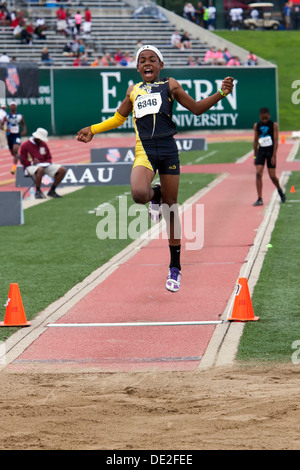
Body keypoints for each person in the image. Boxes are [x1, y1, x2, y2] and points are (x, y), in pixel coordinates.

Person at [76, 44, 234, 292]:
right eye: (142, 60)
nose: (147, 63)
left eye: (152, 60)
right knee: (139, 194)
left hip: (168, 150)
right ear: (138, 67)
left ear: (160, 65)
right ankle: (155, 193)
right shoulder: (133, 90)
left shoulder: (170, 85)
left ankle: (175, 268)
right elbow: (118, 118)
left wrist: (222, 93)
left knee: (171, 210)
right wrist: (93, 129)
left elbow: (196, 109)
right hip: (145, 151)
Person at [19, 127, 66, 199]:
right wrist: (32, 163)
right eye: (40, 139)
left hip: (44, 165)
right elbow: (23, 161)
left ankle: (52, 191)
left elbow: (49, 157)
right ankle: (37, 192)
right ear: (36, 137)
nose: (41, 141)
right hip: (30, 167)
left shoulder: (43, 144)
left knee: (62, 170)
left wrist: (47, 163)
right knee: (40, 169)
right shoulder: (25, 145)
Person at [253, 107, 286, 206]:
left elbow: (276, 141)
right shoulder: (257, 125)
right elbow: (255, 141)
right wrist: (255, 156)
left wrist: (273, 155)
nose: (264, 120)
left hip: (270, 152)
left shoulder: (274, 125)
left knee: (272, 176)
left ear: (269, 116)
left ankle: (280, 191)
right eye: (263, 119)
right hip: (261, 151)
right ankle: (259, 198)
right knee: (258, 173)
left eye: (266, 118)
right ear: (260, 117)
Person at [3, 101, 26, 174]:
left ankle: (14, 167)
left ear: (16, 107)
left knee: (15, 149)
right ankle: (19, 158)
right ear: (10, 107)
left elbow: (23, 124)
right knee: (13, 153)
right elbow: (1, 125)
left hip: (17, 135)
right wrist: (6, 129)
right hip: (9, 136)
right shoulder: (7, 116)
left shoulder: (20, 116)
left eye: (14, 105)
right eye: (11, 105)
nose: (13, 107)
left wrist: (24, 130)